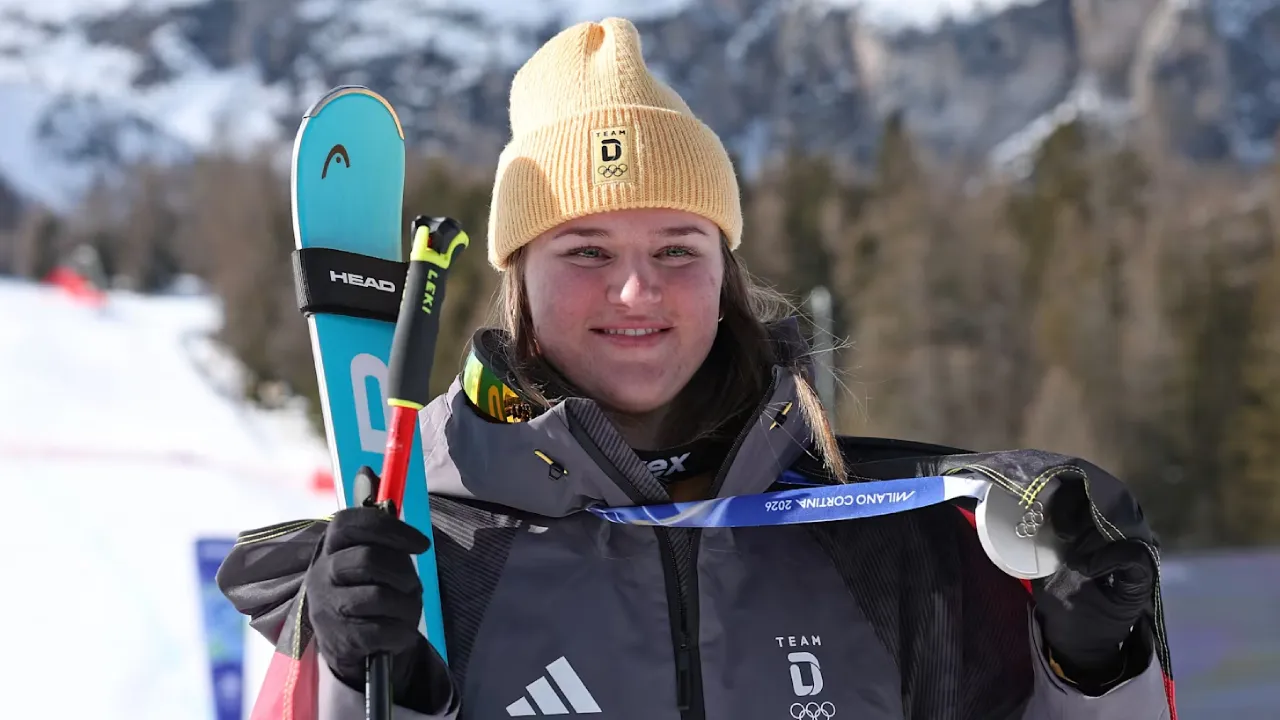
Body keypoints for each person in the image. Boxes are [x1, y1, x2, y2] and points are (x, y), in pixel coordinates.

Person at [221, 17, 1176, 720]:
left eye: (677, 248)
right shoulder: (430, 558)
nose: (637, 290)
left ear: (725, 274)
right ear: (518, 280)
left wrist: (1092, 664)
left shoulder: (884, 540)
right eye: (586, 252)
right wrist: (357, 681)